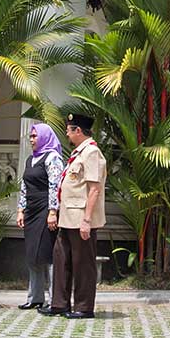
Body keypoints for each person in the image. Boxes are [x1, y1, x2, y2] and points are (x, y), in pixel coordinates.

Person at [40, 113, 106, 319]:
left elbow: (94, 189)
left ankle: (84, 307)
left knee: (82, 263)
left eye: (69, 130)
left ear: (78, 131)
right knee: (62, 260)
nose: (66, 134)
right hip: (67, 217)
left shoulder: (92, 152)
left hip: (81, 218)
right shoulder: (79, 153)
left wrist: (87, 220)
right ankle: (59, 303)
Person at [16, 123, 64, 310]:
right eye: (31, 136)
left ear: (44, 137)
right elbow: (24, 186)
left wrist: (53, 211)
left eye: (35, 136)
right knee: (32, 255)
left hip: (46, 210)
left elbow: (55, 186)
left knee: (47, 254)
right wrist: (21, 209)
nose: (32, 139)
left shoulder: (52, 158)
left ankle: (54, 300)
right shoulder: (30, 160)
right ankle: (35, 297)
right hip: (31, 211)